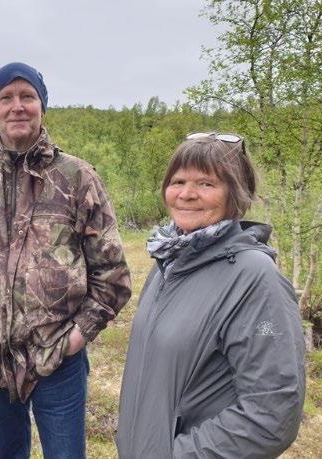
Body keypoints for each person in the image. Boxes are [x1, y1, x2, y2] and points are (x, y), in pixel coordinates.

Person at [0, 62, 131, 459]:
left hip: (58, 362)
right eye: (6, 98)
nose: (17, 107)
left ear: (43, 106)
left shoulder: (76, 177)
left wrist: (74, 339)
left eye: (28, 96)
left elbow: (112, 276)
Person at [116, 132, 305, 458]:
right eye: (178, 181)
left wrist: (176, 454)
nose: (187, 194)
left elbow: (272, 413)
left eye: (206, 184)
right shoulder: (169, 259)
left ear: (235, 195)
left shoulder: (255, 279)